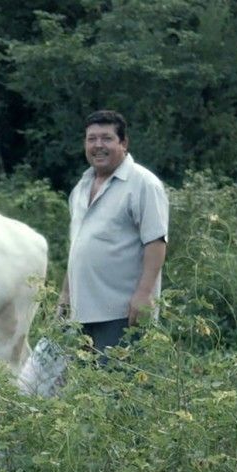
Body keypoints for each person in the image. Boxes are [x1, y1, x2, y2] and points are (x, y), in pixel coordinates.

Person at [57, 110, 168, 358]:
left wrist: (144, 294)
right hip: (81, 313)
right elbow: (78, 248)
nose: (98, 146)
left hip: (121, 314)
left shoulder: (142, 184)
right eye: (91, 139)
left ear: (123, 143)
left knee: (116, 388)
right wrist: (65, 295)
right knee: (85, 390)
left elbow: (156, 242)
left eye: (106, 138)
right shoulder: (81, 187)